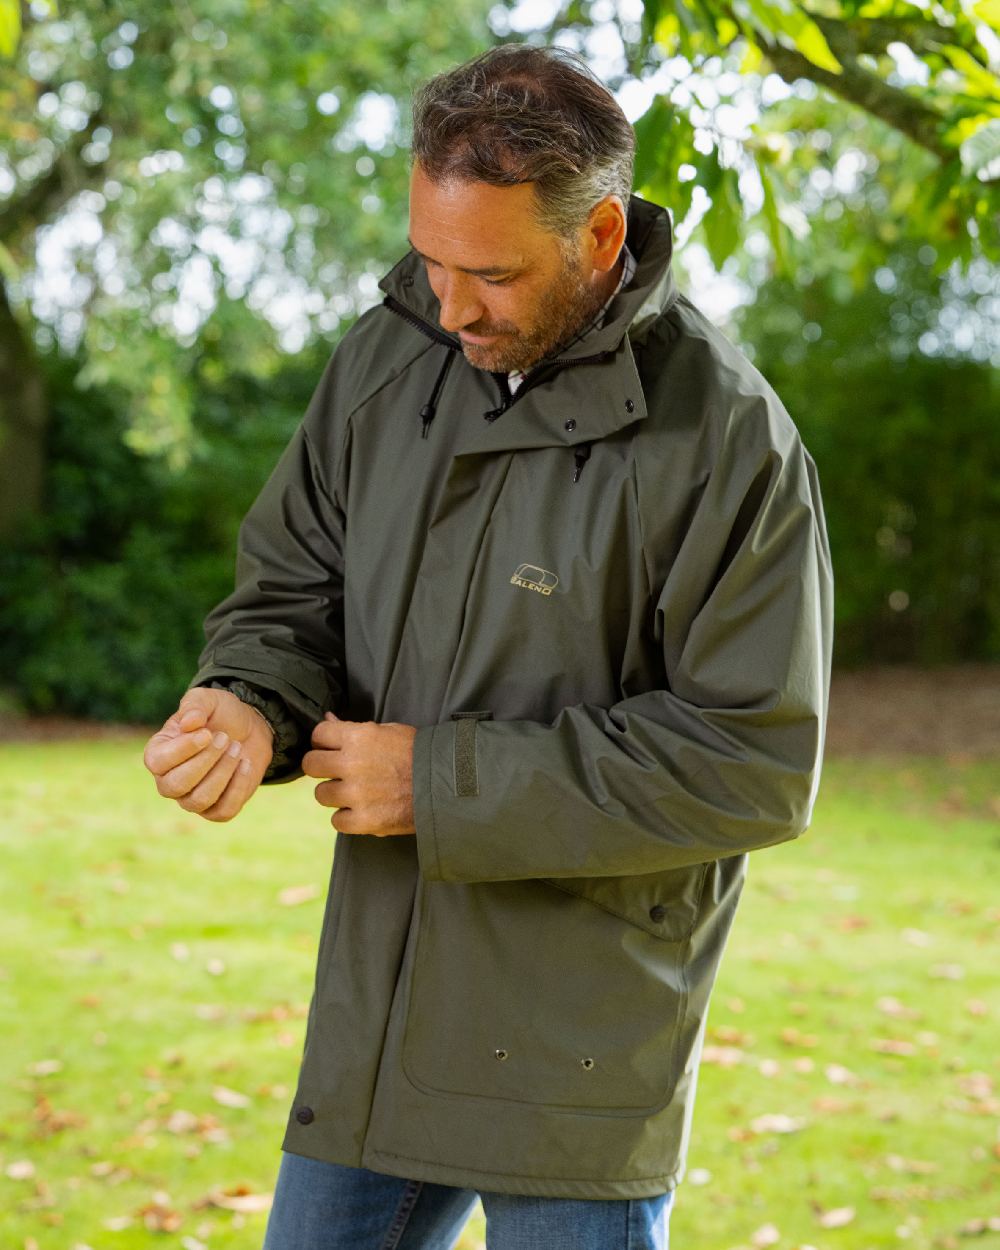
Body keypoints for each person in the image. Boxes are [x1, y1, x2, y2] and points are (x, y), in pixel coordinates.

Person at [143, 44, 833, 1250]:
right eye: (430, 258)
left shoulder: (731, 443)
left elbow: (753, 758)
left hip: (577, 1037)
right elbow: (293, 586)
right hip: (379, 1009)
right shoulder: (386, 356)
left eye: (493, 273)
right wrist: (250, 697)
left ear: (602, 235)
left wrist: (439, 781)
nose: (450, 306)